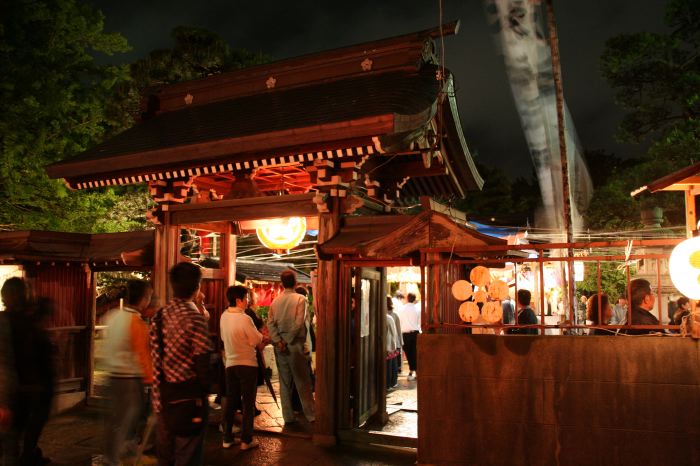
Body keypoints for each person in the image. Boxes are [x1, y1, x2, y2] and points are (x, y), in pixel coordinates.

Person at [150, 262, 212, 466]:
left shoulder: (158, 316)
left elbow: (155, 356)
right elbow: (203, 359)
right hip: (188, 397)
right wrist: (206, 390)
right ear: (197, 287)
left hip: (162, 397)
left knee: (166, 457)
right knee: (187, 456)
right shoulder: (195, 317)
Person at [1, 277, 55, 466]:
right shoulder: (24, 323)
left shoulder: (18, 321)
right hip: (21, 391)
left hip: (21, 391)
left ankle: (29, 454)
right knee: (13, 441)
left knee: (12, 440)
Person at [103, 280, 154, 466]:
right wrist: (151, 378)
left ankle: (126, 446)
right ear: (144, 299)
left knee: (122, 416)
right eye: (149, 296)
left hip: (113, 374)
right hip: (128, 376)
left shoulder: (113, 315)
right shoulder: (136, 322)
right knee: (125, 417)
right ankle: (112, 457)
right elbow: (142, 354)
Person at [267, 270, 315, 425]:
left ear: (282, 284)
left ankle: (288, 417)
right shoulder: (301, 299)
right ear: (295, 283)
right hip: (295, 345)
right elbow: (298, 323)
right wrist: (287, 341)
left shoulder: (275, 302)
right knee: (302, 381)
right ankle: (311, 415)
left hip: (280, 347)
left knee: (284, 382)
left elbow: (270, 323)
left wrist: (278, 341)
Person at [220, 286, 262, 451]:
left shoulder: (224, 316)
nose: (248, 301)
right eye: (246, 298)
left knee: (231, 401)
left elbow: (223, 338)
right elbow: (255, 340)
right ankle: (246, 440)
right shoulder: (245, 318)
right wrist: (260, 336)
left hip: (230, 364)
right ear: (238, 300)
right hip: (247, 365)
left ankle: (227, 438)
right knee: (248, 404)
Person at [396, 292, 420, 381]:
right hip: (415, 333)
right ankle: (415, 371)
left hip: (405, 334)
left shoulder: (401, 309)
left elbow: (399, 321)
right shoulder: (417, 309)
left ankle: (411, 371)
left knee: (409, 354)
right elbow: (419, 321)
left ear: (407, 298)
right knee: (415, 353)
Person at [387, 296, 403, 384]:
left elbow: (398, 330)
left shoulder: (394, 315)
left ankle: (392, 381)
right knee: (393, 364)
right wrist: (400, 343)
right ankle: (393, 381)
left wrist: (400, 343)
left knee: (392, 364)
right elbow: (399, 330)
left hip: (392, 342)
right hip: (394, 342)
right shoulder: (394, 315)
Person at [385, 297, 400, 389]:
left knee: (389, 367)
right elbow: (394, 333)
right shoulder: (389, 317)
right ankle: (389, 383)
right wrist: (395, 346)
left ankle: (388, 383)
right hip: (389, 346)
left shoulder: (391, 316)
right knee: (389, 367)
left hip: (387, 345)